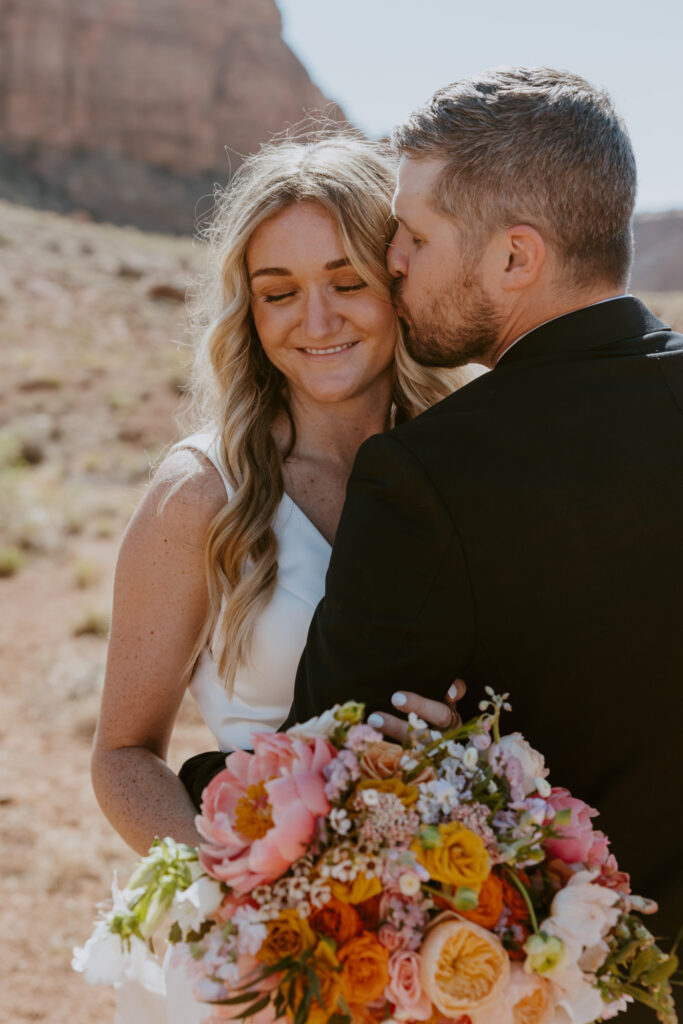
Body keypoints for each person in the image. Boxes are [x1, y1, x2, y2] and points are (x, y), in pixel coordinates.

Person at [183, 70, 683, 1013]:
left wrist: (206, 781)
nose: (394, 259)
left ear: (514, 259)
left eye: (412, 236)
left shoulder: (426, 475)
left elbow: (331, 777)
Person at [90, 131, 468, 1023]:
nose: (317, 319)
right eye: (279, 293)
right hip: (270, 964)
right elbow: (121, 756)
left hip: (450, 938)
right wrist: (251, 906)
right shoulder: (201, 492)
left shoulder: (468, 460)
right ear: (248, 312)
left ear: (398, 281)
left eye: (347, 281)